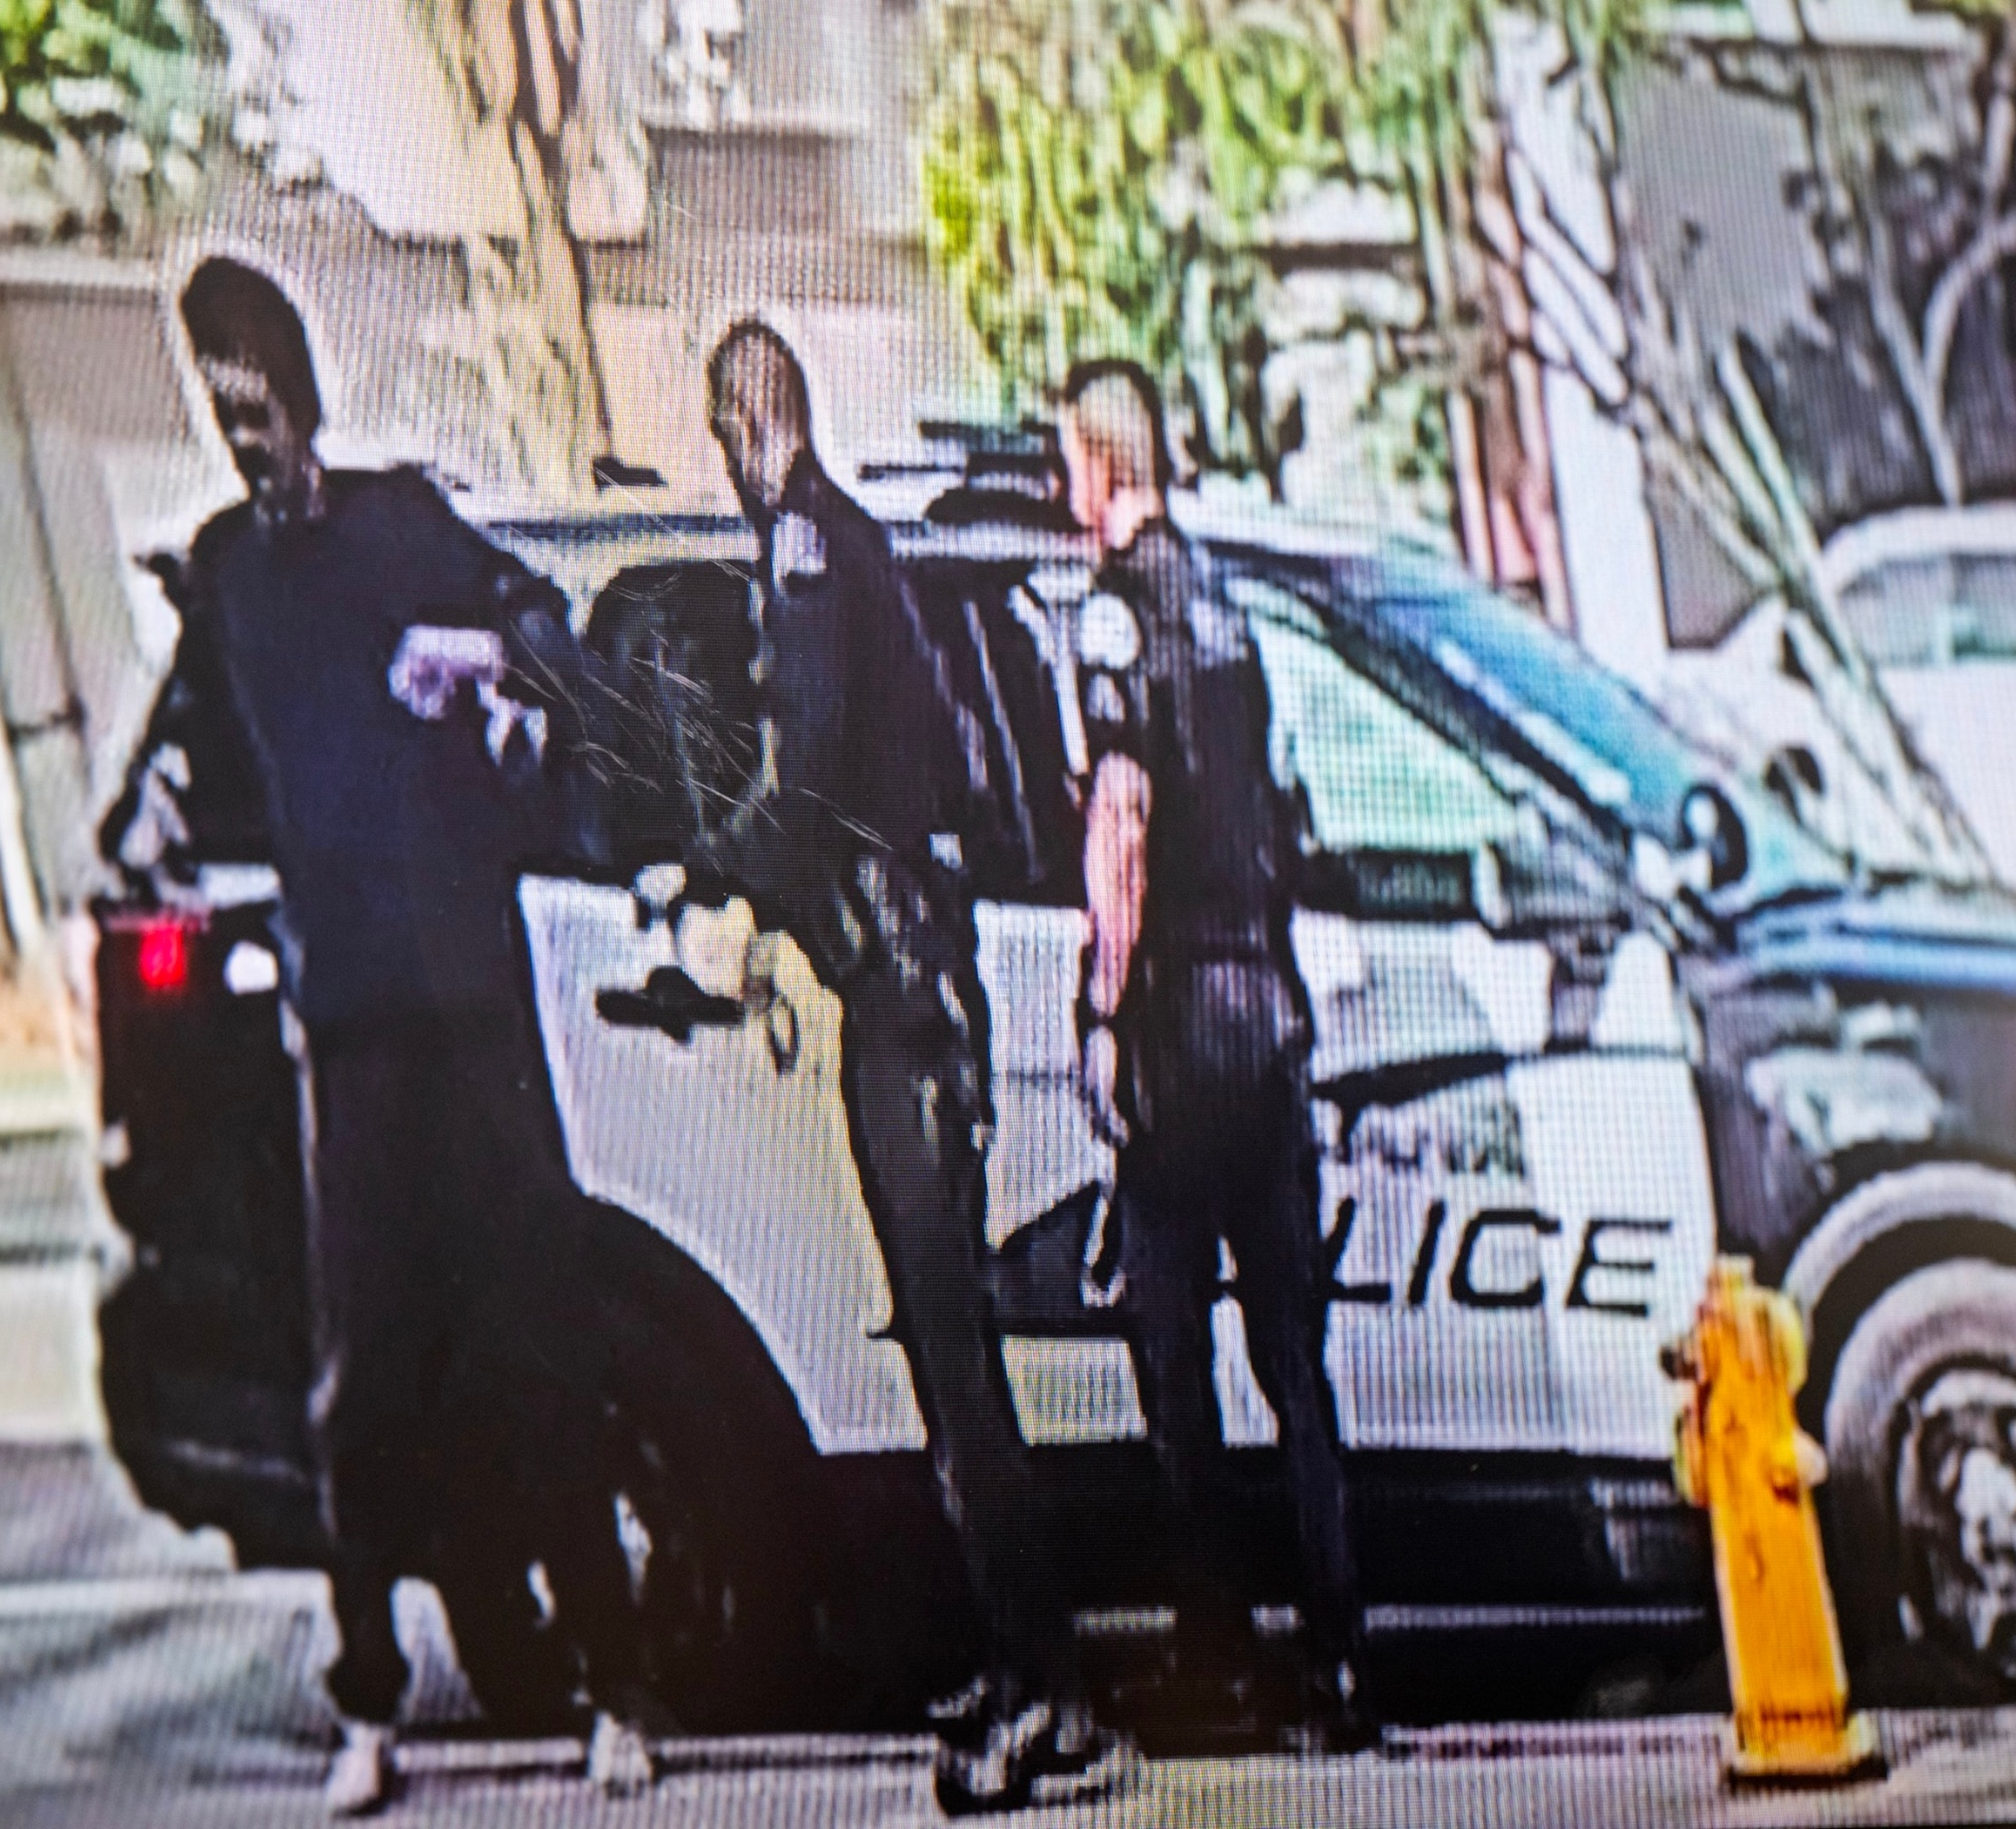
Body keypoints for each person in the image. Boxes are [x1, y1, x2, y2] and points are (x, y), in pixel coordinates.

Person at [164, 257, 652, 1815]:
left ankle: (617, 1683)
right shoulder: (226, 576)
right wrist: (176, 811)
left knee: (542, 1339)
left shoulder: (397, 521)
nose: (250, 442)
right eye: (223, 415)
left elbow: (538, 623)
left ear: (302, 394)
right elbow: (208, 766)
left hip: (475, 1005)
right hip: (353, 1022)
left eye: (263, 406)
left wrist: (486, 669)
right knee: (362, 1379)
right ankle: (366, 1694)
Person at [696, 322, 1120, 1814]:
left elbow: (800, 765)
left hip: (907, 1003)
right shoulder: (853, 549)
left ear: (744, 428)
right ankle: (1027, 1672)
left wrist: (718, 874)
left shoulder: (808, 548)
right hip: (915, 985)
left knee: (957, 1368)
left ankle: (1048, 1688)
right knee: (950, 1369)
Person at [1057, 359, 1374, 1752]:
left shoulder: (1114, 614)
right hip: (1271, 1012)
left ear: (1102, 465)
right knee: (1296, 1368)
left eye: (1072, 464)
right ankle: (1341, 1666)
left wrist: (1102, 1008)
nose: (1068, 495)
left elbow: (1122, 814)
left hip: (1183, 1021)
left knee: (1173, 1361)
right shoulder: (1235, 606)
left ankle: (1220, 1656)